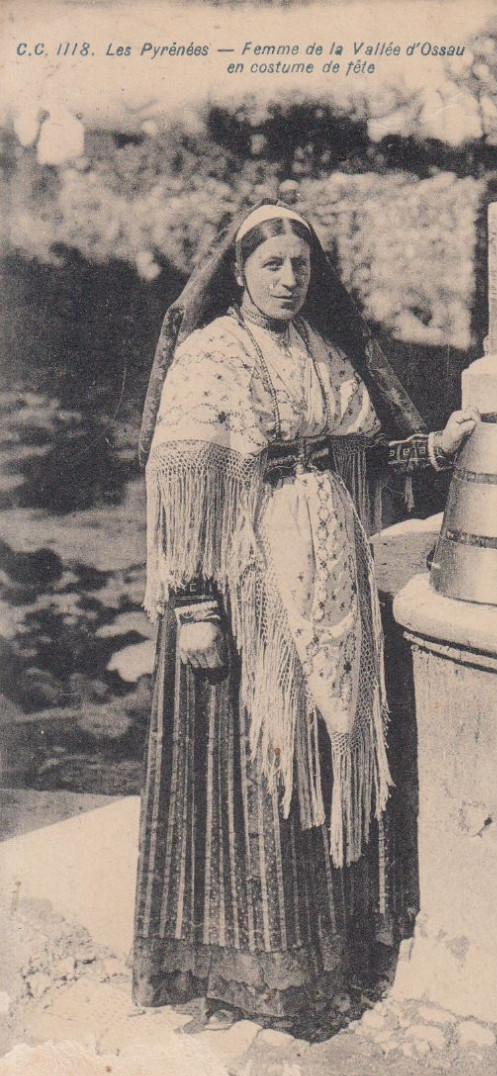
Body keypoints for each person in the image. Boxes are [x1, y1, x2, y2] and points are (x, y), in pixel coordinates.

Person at [133, 196, 478, 1031]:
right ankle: (252, 968)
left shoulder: (326, 353)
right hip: (247, 582)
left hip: (331, 571)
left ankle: (334, 954)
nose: (288, 280)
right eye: (271, 265)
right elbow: (184, 490)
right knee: (259, 760)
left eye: (300, 266)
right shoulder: (210, 356)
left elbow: (360, 449)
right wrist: (196, 606)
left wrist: (433, 448)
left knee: (330, 752)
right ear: (240, 273)